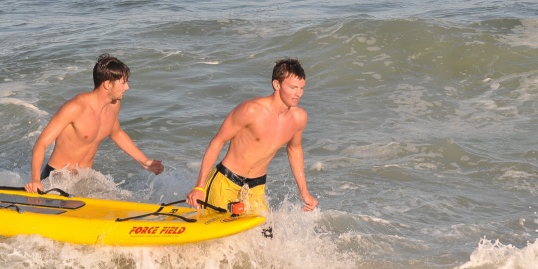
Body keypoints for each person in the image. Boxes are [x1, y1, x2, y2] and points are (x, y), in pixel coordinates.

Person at [186, 58, 318, 214]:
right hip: (225, 182)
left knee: (266, 229)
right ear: (276, 84)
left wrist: (304, 192)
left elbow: (294, 149)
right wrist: (199, 186)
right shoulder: (251, 110)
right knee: (220, 230)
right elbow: (217, 142)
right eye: (293, 87)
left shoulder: (298, 118)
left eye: (301, 88)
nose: (298, 93)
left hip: (256, 188)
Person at [24, 54, 164, 193]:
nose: (127, 87)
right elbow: (41, 143)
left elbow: (117, 133)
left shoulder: (113, 106)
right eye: (123, 83)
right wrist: (35, 180)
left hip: (84, 178)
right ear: (107, 84)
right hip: (58, 179)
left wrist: (144, 161)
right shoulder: (75, 108)